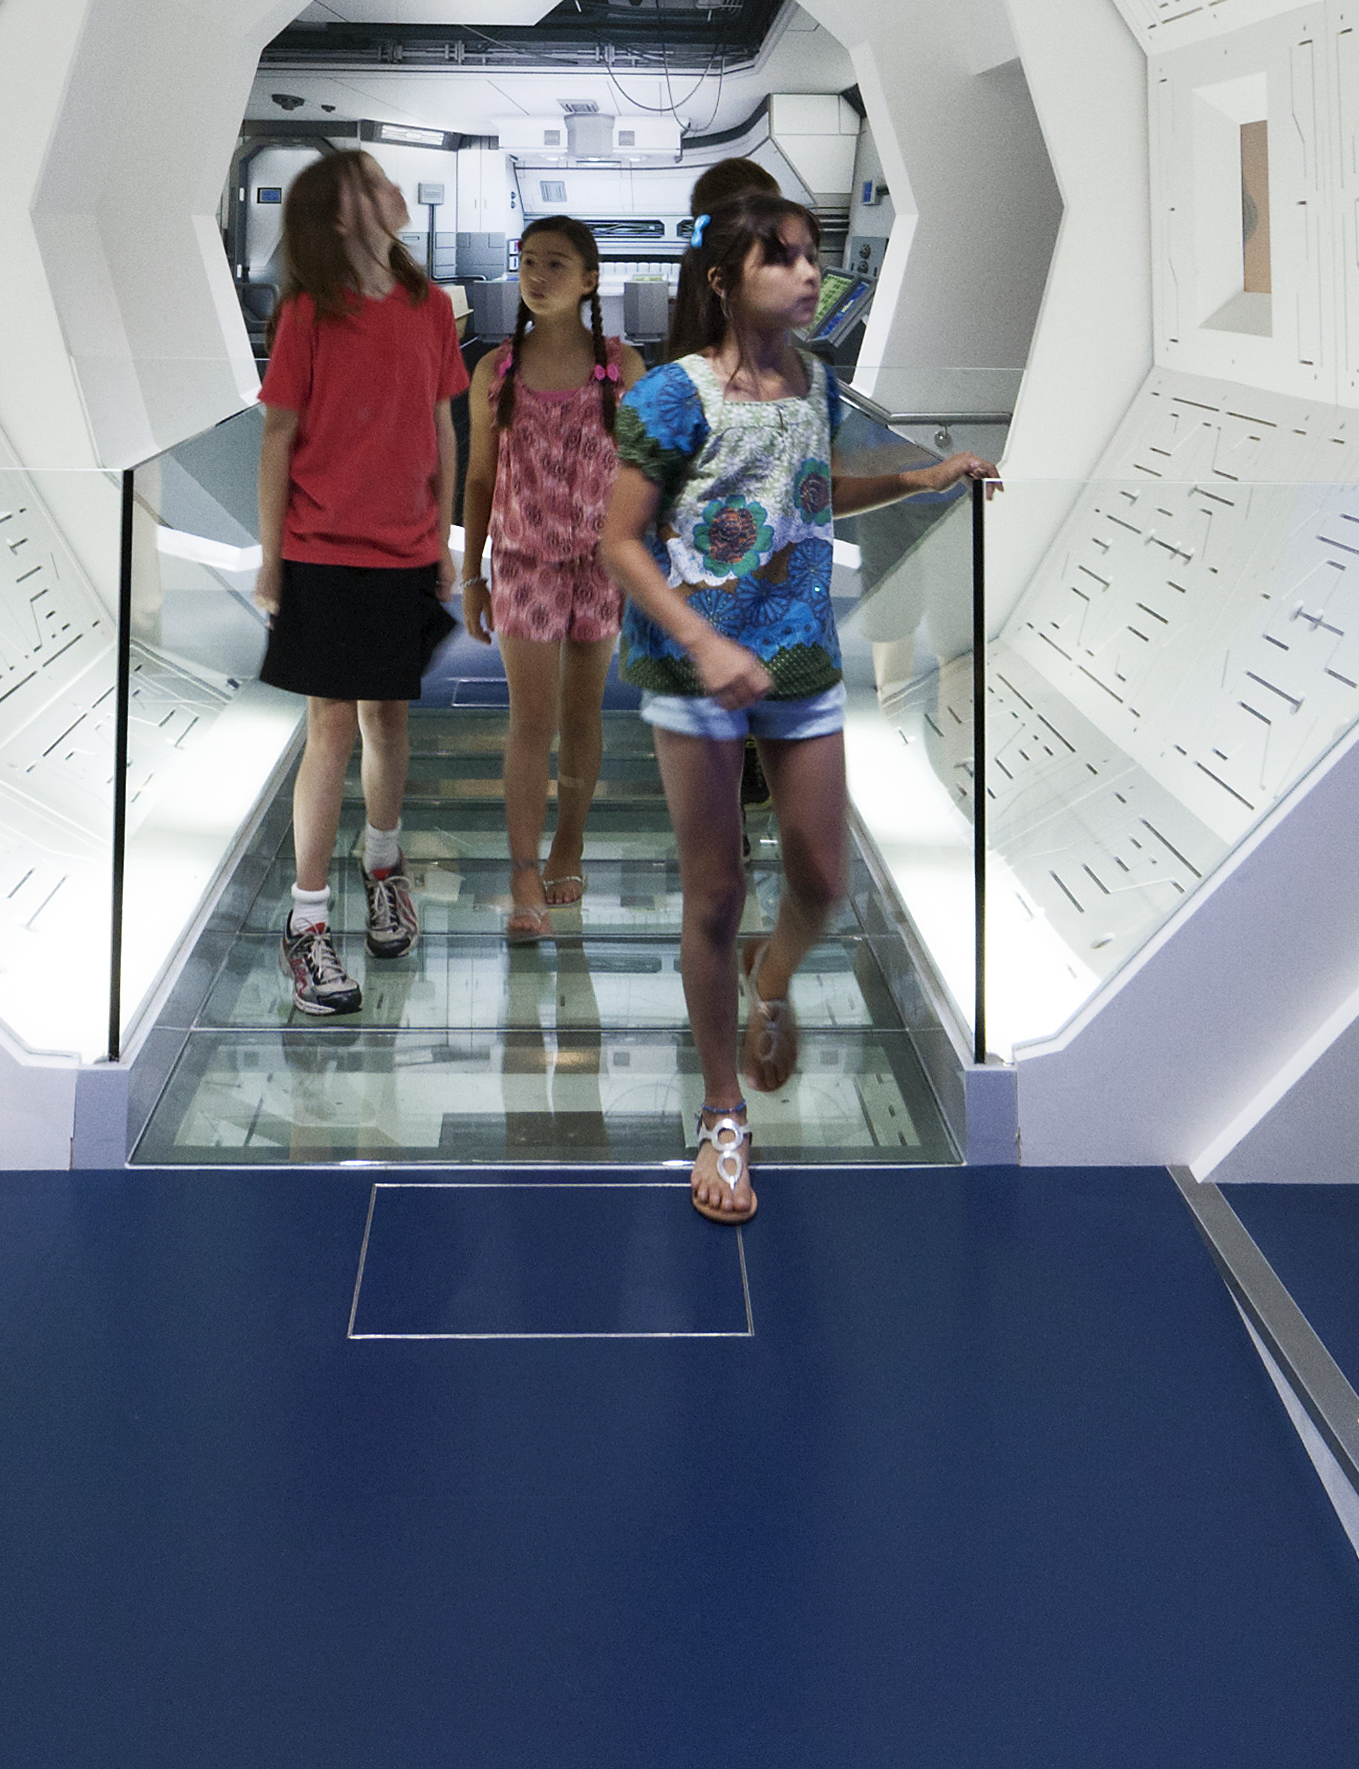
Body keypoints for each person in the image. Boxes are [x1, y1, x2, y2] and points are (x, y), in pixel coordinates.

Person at [601, 192, 996, 1221]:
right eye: (779, 259)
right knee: (715, 890)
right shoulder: (669, 397)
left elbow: (811, 491)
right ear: (724, 283)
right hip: (697, 673)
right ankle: (722, 1111)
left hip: (803, 661)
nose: (807, 274)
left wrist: (923, 475)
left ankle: (766, 982)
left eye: (810, 257)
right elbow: (619, 541)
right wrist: (703, 640)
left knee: (822, 882)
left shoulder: (815, 382)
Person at [253, 147, 469, 1019]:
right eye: (373, 181)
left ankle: (386, 870)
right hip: (322, 549)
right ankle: (308, 923)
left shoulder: (429, 307)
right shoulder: (307, 315)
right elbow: (279, 438)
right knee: (331, 727)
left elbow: (440, 421)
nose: (393, 189)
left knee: (386, 718)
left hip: (403, 548)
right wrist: (273, 557)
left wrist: (444, 532)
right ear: (343, 216)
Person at [457, 213, 637, 945]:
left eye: (556, 264)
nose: (537, 276)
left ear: (590, 279)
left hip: (599, 564)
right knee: (531, 721)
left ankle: (571, 841)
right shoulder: (495, 370)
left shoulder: (620, 368)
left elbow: (643, 473)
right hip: (524, 562)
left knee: (582, 716)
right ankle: (523, 867)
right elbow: (477, 477)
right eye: (529, 262)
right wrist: (472, 575)